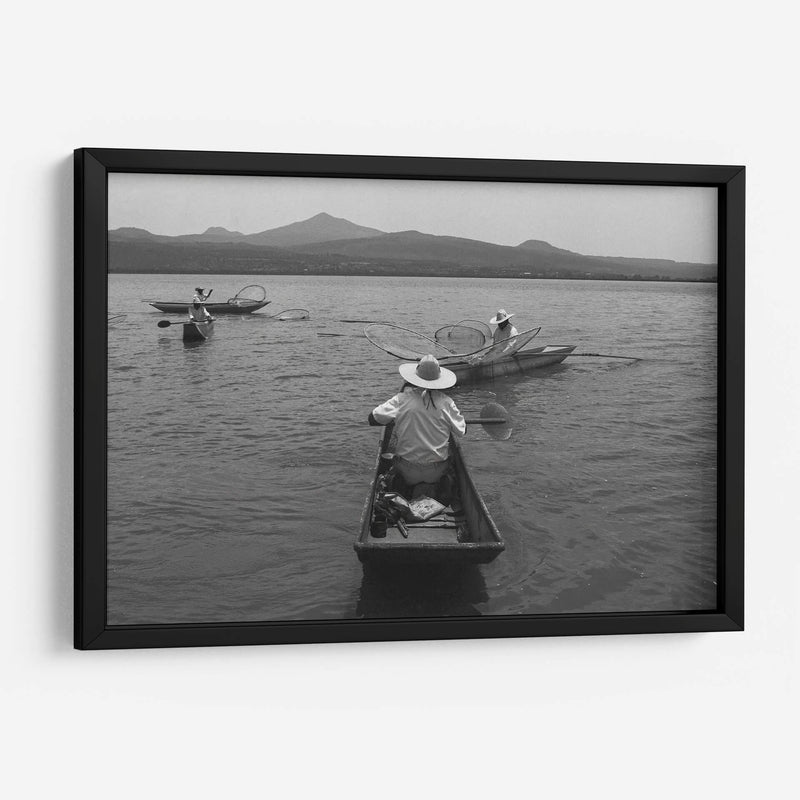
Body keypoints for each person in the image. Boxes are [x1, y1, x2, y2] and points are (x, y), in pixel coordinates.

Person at [368, 354, 466, 493]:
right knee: (450, 454)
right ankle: (442, 486)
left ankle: (401, 486)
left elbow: (372, 419)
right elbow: (462, 431)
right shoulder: (447, 402)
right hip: (436, 473)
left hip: (407, 471)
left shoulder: (401, 399)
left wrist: (395, 419)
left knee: (392, 456)